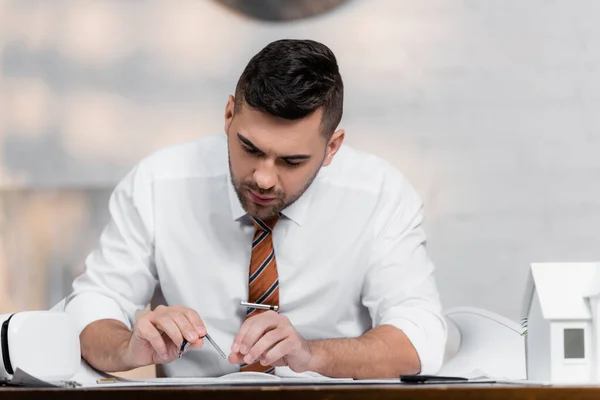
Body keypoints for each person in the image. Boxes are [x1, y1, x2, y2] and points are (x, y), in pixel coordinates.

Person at [64, 38, 447, 379]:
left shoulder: (380, 194)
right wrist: (128, 347)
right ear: (229, 115)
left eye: (292, 162)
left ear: (332, 147)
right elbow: (91, 307)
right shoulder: (156, 184)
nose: (264, 178)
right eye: (250, 148)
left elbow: (420, 337)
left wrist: (311, 355)